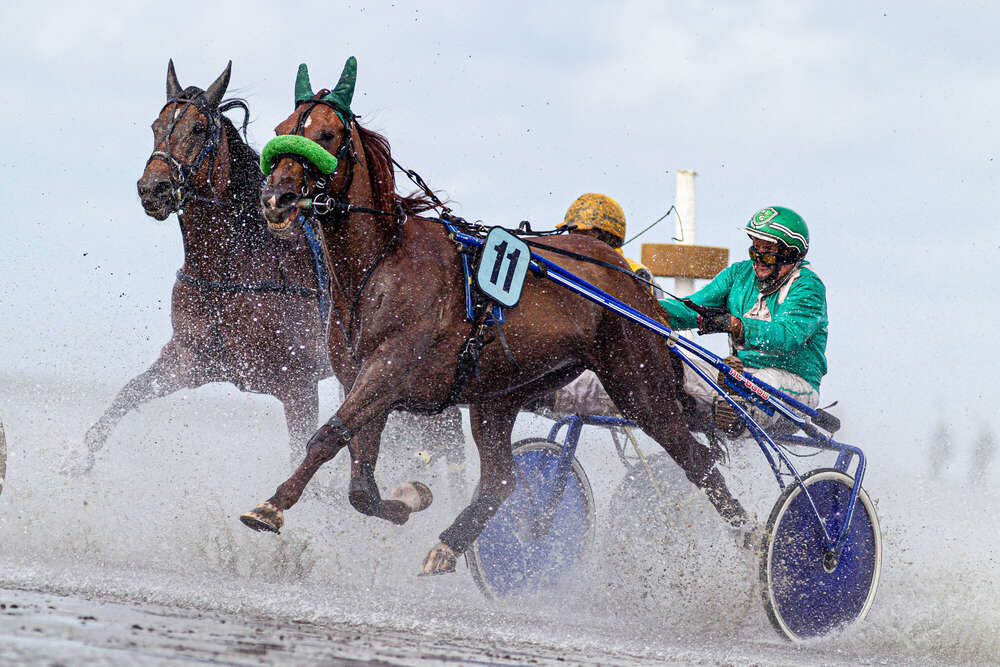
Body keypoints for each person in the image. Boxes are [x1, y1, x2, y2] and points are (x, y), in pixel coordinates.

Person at [658, 206, 828, 435]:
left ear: (790, 253)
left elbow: (788, 336)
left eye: (767, 252)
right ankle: (717, 406)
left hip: (795, 386)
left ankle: (736, 415)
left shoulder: (808, 286)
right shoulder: (738, 274)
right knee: (678, 369)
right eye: (754, 250)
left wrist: (736, 325)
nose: (758, 259)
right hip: (738, 376)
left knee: (767, 380)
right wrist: (646, 308)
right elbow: (688, 309)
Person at [542, 193, 656, 416]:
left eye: (580, 235)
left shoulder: (634, 273)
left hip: (617, 367)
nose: (571, 241)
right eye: (570, 234)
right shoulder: (567, 270)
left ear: (603, 237)